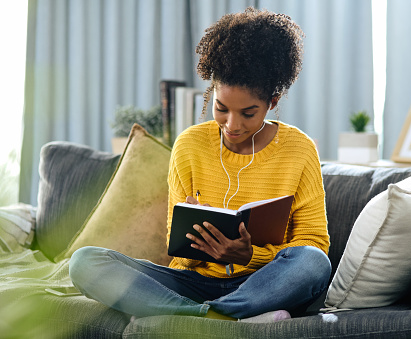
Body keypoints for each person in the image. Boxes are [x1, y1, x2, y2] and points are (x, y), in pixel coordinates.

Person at [69, 7, 331, 323]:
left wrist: (248, 256)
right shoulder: (190, 145)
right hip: (191, 284)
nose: (232, 125)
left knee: (313, 263)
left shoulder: (299, 149)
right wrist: (196, 242)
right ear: (211, 93)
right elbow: (176, 252)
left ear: (272, 102)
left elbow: (314, 244)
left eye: (248, 113)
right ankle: (214, 317)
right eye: (221, 108)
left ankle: (198, 316)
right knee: (85, 261)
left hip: (264, 284)